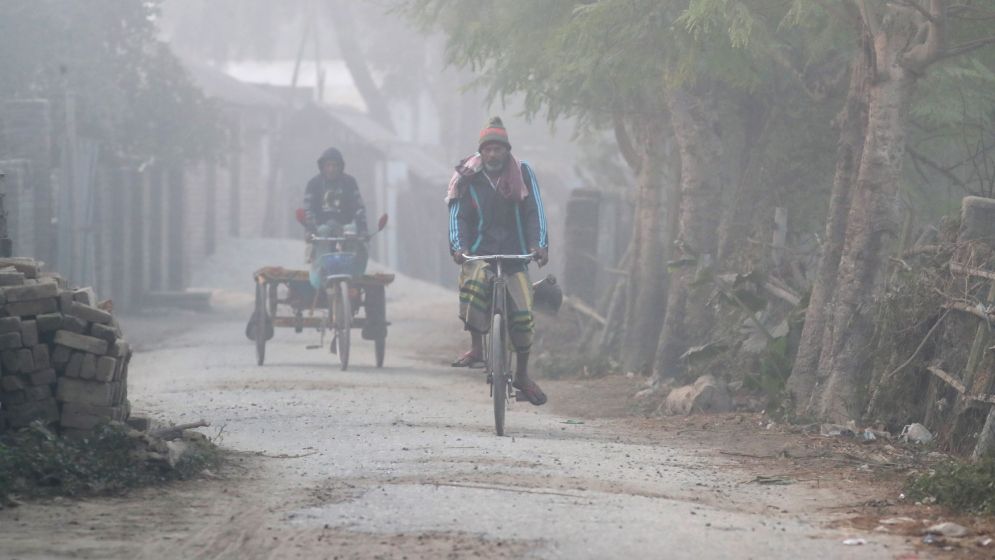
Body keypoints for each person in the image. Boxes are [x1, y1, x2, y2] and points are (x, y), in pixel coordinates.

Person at [447, 117, 550, 406]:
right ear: (481, 152)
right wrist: (459, 247)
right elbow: (458, 215)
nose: (493, 155)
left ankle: (522, 375)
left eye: (498, 149)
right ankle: (477, 348)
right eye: (488, 150)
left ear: (507, 151)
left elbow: (535, 211)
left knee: (523, 314)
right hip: (480, 252)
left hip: (515, 254)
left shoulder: (523, 172)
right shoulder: (467, 175)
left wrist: (539, 245)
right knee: (474, 284)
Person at [304, 147, 369, 275]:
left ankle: (352, 274)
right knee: (322, 232)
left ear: (340, 167)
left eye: (335, 165)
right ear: (322, 166)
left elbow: (359, 208)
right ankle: (321, 273)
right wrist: (310, 229)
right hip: (322, 230)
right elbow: (308, 210)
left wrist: (363, 229)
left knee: (353, 233)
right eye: (328, 165)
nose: (331, 169)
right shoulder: (313, 184)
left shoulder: (350, 183)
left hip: (345, 228)